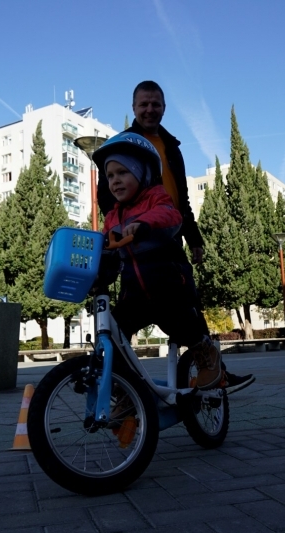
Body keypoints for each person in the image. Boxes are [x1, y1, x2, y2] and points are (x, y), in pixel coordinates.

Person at [97, 80, 254, 394]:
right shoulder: (123, 145)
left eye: (155, 104)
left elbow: (179, 201)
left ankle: (214, 370)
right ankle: (123, 389)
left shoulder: (171, 147)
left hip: (165, 232)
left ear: (163, 108)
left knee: (185, 307)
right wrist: (112, 239)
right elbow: (107, 195)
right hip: (131, 237)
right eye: (144, 104)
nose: (150, 109)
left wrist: (193, 237)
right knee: (117, 325)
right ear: (134, 108)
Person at [93, 132, 222, 389]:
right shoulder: (112, 216)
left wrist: (144, 224)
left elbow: (169, 215)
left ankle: (207, 354)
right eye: (110, 176)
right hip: (134, 293)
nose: (115, 181)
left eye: (122, 173)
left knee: (181, 322)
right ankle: (125, 390)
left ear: (141, 173)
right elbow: (105, 244)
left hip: (167, 283)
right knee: (114, 330)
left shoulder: (156, 197)